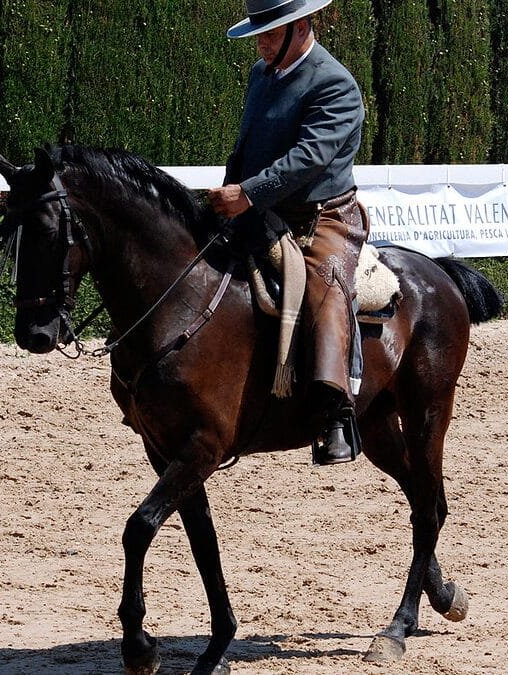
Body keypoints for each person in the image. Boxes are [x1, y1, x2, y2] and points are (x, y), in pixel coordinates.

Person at [208, 0, 368, 465]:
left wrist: (248, 193)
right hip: (259, 210)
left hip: (322, 218)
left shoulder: (335, 84)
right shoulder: (262, 75)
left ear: (300, 28)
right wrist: (230, 194)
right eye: (259, 34)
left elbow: (308, 158)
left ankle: (334, 413)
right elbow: (246, 147)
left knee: (324, 289)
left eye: (271, 33)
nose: (261, 43)